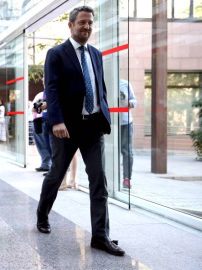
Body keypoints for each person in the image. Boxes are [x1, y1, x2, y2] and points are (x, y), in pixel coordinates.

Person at [36, 6, 125, 256]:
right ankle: (42, 214)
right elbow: (51, 90)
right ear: (71, 25)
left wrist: (103, 113)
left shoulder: (96, 53)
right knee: (56, 174)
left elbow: (99, 87)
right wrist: (56, 121)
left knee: (99, 181)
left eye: (90, 23)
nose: (86, 27)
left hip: (93, 125)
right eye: (82, 22)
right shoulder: (56, 54)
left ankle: (100, 236)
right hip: (66, 127)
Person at [120, 79, 137, 189]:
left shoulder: (125, 84)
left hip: (125, 122)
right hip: (110, 122)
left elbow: (134, 101)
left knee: (126, 150)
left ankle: (127, 178)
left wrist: (127, 103)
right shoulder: (104, 81)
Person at [32, 89, 51, 172]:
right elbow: (32, 108)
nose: (43, 79)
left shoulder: (51, 91)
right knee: (41, 144)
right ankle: (45, 164)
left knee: (50, 145)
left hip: (47, 120)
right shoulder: (41, 94)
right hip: (38, 120)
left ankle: (51, 167)